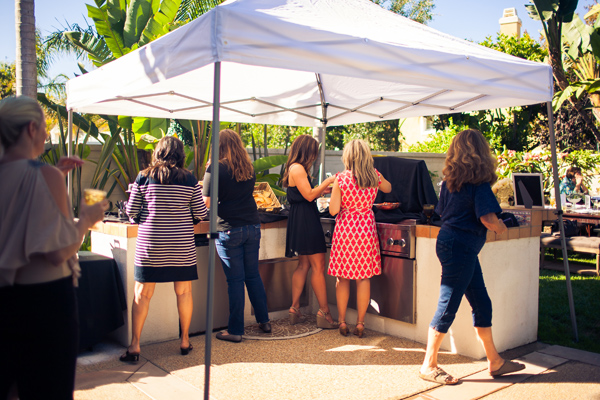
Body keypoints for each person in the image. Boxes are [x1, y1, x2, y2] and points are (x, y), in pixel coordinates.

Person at [0, 96, 108, 399]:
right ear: (32, 128)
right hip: (45, 305)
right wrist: (87, 218)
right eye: (45, 127)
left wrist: (54, 177)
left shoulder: (25, 175)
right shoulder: (41, 175)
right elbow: (57, 251)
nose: (47, 135)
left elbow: (17, 218)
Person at [419, 129, 525, 385]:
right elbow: (488, 219)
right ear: (481, 154)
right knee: (448, 304)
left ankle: (495, 361)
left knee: (481, 302)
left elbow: (443, 213)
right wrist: (502, 227)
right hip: (461, 247)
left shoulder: (450, 183)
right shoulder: (479, 186)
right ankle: (428, 365)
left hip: (452, 243)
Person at [123, 136, 207, 361]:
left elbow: (132, 212)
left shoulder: (144, 177)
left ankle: (135, 346)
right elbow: (200, 213)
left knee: (142, 294)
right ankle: (185, 340)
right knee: (184, 292)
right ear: (181, 154)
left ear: (158, 152)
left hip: (151, 245)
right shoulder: (190, 179)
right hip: (181, 245)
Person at [203, 129, 271, 343]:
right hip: (252, 227)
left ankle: (235, 330)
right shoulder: (248, 168)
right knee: (252, 276)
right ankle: (264, 321)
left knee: (235, 280)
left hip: (229, 229)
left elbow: (206, 203)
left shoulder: (215, 168)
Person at [328, 139, 391, 338]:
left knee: (343, 277)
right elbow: (388, 189)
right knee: (363, 278)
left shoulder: (341, 178)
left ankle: (342, 321)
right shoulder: (374, 176)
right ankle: (361, 324)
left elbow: (333, 210)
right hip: (366, 230)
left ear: (348, 157)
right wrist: (376, 175)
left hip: (346, 230)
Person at [282, 135, 338, 328]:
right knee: (318, 266)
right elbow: (309, 195)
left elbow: (306, 193)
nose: (314, 156)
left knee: (303, 265)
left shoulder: (295, 168)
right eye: (313, 152)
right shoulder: (297, 168)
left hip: (300, 218)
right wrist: (328, 181)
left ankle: (294, 308)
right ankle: (324, 313)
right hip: (306, 220)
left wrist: (323, 190)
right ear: (307, 151)